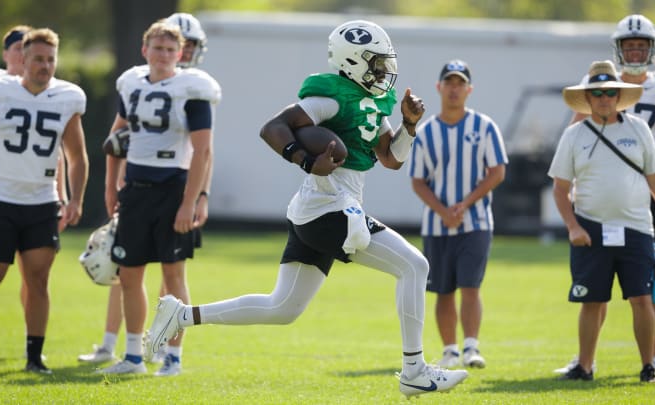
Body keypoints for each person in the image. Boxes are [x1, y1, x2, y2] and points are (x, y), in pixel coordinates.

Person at [143, 20, 469, 397]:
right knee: (416, 266)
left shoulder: (372, 101)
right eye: (376, 63)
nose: (384, 71)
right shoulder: (331, 95)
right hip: (330, 207)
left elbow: (390, 158)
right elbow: (274, 127)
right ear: (353, 61)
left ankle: (181, 315)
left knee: (282, 308)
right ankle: (414, 370)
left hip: (320, 209)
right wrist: (304, 159)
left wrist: (409, 126)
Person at [78, 12, 214, 367]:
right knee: (129, 273)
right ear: (144, 49)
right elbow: (115, 138)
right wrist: (111, 185)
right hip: (136, 188)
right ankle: (134, 354)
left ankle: (173, 355)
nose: (163, 54)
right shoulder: (132, 83)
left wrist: (191, 201)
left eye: (170, 48)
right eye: (157, 47)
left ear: (180, 52)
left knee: (173, 275)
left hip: (173, 186)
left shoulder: (194, 89)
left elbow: (203, 151)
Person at [554, 14, 655, 378]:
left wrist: (634, 154)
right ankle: (585, 361)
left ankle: (652, 359)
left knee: (647, 289)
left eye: (640, 45)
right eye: (628, 46)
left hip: (643, 205)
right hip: (595, 208)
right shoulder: (586, 109)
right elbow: (571, 156)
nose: (603, 96)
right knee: (594, 294)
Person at [0, 27, 89, 373]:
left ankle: (35, 358)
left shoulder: (67, 98)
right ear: (23, 60)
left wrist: (75, 199)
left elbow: (77, 157)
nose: (45, 66)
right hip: (0, 198)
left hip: (41, 202)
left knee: (38, 281)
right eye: (38, 59)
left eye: (51, 59)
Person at [409, 60, 507, 369]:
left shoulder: (484, 126)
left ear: (469, 89)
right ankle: (450, 350)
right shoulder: (426, 132)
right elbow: (418, 180)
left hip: (476, 222)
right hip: (437, 226)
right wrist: (443, 211)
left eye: (459, 83)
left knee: (470, 286)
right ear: (439, 87)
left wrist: (464, 205)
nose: (454, 88)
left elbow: (497, 171)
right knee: (443, 289)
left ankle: (471, 347)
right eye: (448, 83)